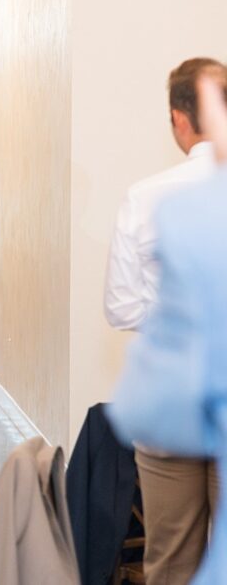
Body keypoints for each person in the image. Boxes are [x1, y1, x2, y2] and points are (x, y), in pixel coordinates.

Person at [103, 58, 227, 584]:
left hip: (172, 398)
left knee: (170, 557)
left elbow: (120, 306)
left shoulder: (147, 194)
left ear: (179, 119)